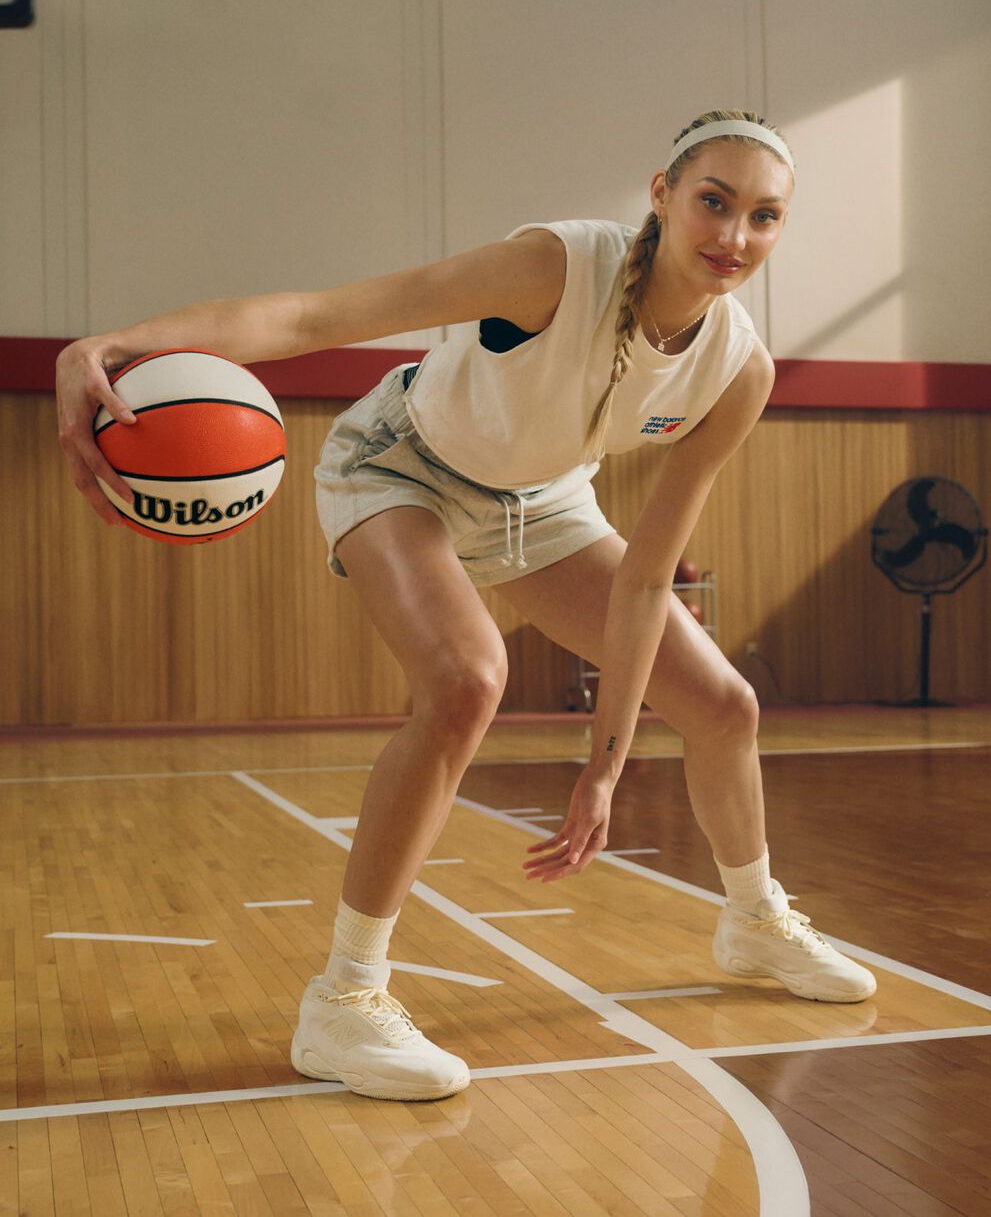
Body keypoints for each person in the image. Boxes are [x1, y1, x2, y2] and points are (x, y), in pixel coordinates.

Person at [57, 108, 876, 1104]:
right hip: (400, 462)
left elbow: (646, 577)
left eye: (763, 216)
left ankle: (750, 918)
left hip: (542, 501)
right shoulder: (553, 269)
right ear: (660, 195)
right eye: (712, 200)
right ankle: (345, 1000)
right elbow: (316, 318)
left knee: (723, 704)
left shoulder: (736, 369)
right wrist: (114, 340)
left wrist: (602, 769)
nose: (732, 236)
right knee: (464, 677)